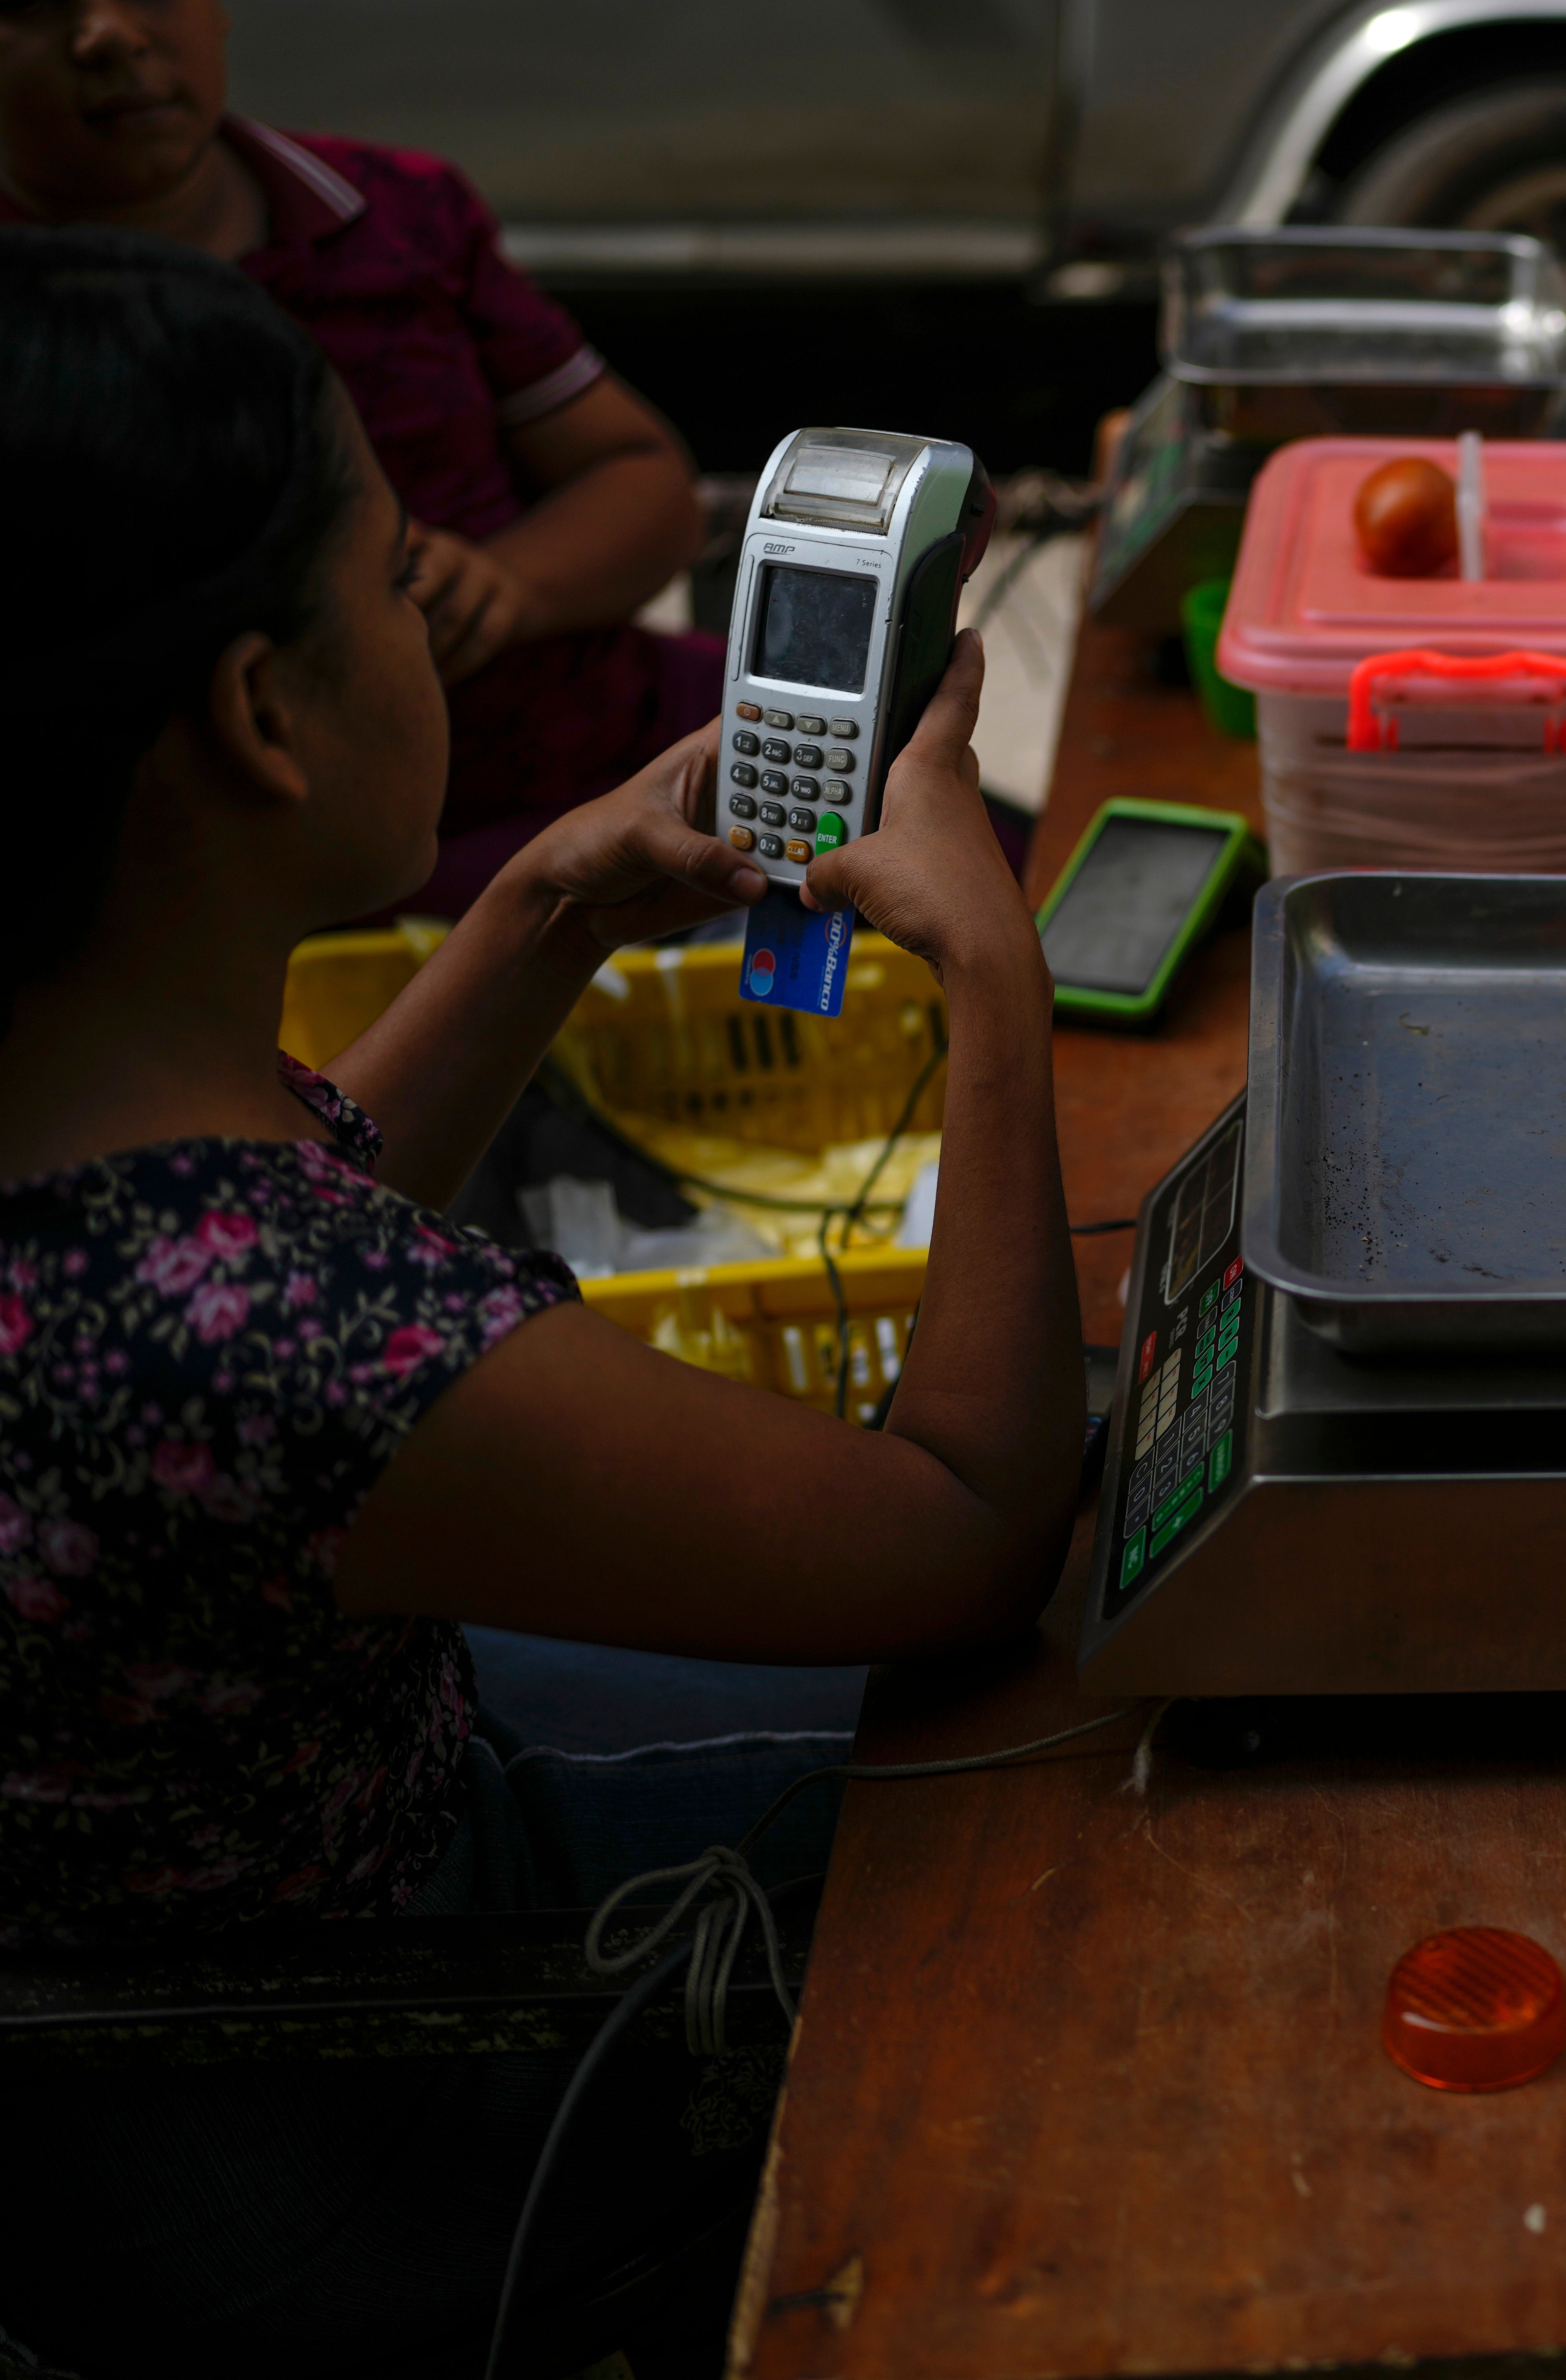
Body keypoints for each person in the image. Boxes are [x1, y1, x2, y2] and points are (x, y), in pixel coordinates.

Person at [0, 234, 1084, 2373]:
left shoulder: (114, 1167)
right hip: (350, 2106)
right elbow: (966, 1525)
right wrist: (990, 980)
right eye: (396, 587)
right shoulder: (293, 1336)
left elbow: (275, 1200)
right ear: (256, 712)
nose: (437, 625)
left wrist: (545, 896)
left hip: (100, 2066)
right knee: (1068, 1766)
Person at [0, 0, 717, 918]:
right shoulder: (28, 323)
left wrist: (508, 586)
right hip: (316, 885)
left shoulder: (396, 214)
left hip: (598, 743)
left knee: (898, 777)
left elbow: (643, 481)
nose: (107, 34)